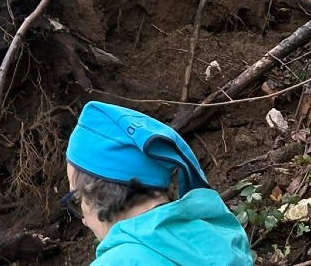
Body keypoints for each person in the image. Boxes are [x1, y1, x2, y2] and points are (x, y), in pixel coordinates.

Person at [64, 101, 253, 265]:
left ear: (100, 193)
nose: (83, 221)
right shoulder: (223, 242)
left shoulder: (119, 261)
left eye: (77, 200)